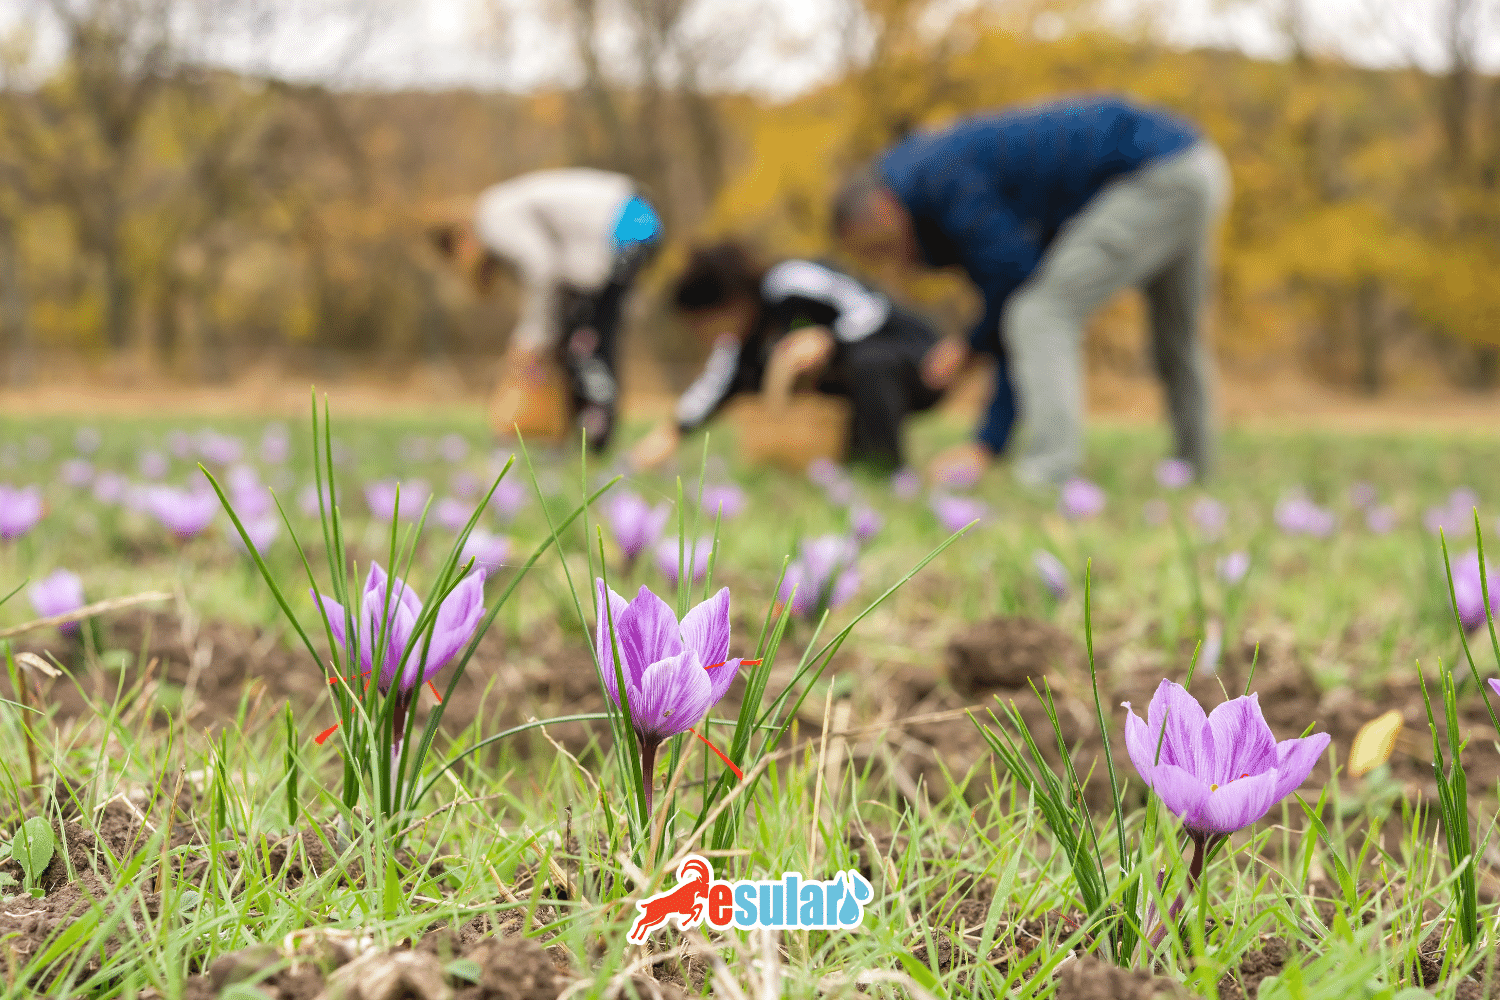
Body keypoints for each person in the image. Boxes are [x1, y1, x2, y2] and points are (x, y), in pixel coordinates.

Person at [832, 94, 1231, 487]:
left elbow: (1017, 293)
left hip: (1154, 176)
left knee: (1042, 313)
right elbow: (1015, 281)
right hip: (1196, 164)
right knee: (1177, 339)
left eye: (881, 249)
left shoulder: (942, 179)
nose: (893, 264)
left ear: (883, 207)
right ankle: (1195, 468)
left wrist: (987, 442)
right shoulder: (931, 169)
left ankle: (1050, 470)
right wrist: (973, 346)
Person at [630, 241, 945, 471]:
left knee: (868, 362)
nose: (704, 338)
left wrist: (829, 338)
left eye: (704, 326)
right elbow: (716, 383)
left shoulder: (789, 283)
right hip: (861, 378)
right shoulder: (742, 342)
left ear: (728, 302)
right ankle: (845, 465)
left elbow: (872, 307)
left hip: (921, 362)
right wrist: (673, 431)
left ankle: (883, 468)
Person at [430, 168, 662, 451]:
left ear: (461, 239)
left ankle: (594, 441)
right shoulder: (501, 209)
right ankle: (582, 437)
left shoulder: (491, 219)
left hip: (630, 222)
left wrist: (531, 338)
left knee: (587, 344)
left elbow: (542, 268)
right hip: (631, 221)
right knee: (581, 339)